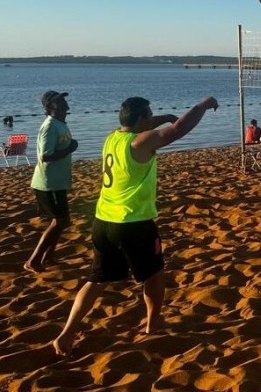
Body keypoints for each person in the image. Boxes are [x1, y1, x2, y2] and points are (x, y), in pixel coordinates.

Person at [52, 95, 219, 356]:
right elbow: (178, 130)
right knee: (154, 275)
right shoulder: (139, 143)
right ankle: (153, 326)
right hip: (134, 223)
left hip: (103, 221)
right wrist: (202, 105)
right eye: (149, 115)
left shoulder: (112, 137)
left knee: (96, 281)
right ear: (142, 119)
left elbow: (150, 125)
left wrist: (163, 117)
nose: (152, 118)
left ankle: (67, 333)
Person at [25, 91, 79, 272]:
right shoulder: (49, 126)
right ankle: (33, 260)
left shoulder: (60, 124)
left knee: (62, 221)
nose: (64, 104)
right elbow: (45, 156)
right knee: (60, 221)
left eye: (64, 100)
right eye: (59, 101)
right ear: (50, 107)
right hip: (48, 183)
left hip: (58, 182)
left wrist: (69, 147)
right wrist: (69, 149)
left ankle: (49, 257)